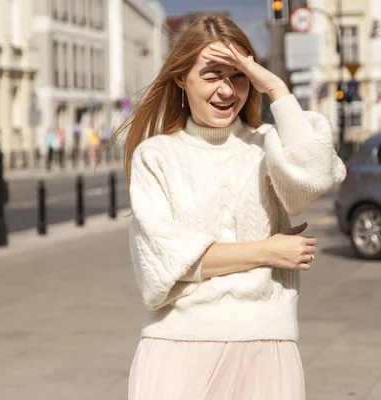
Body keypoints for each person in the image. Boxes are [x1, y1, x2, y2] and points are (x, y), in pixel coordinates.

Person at [115, 14, 346, 399]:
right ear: (180, 78)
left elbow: (314, 178)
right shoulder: (156, 156)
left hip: (266, 347)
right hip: (177, 353)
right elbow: (166, 266)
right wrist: (268, 251)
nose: (227, 90)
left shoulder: (268, 145)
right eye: (211, 75)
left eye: (238, 76)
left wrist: (276, 87)